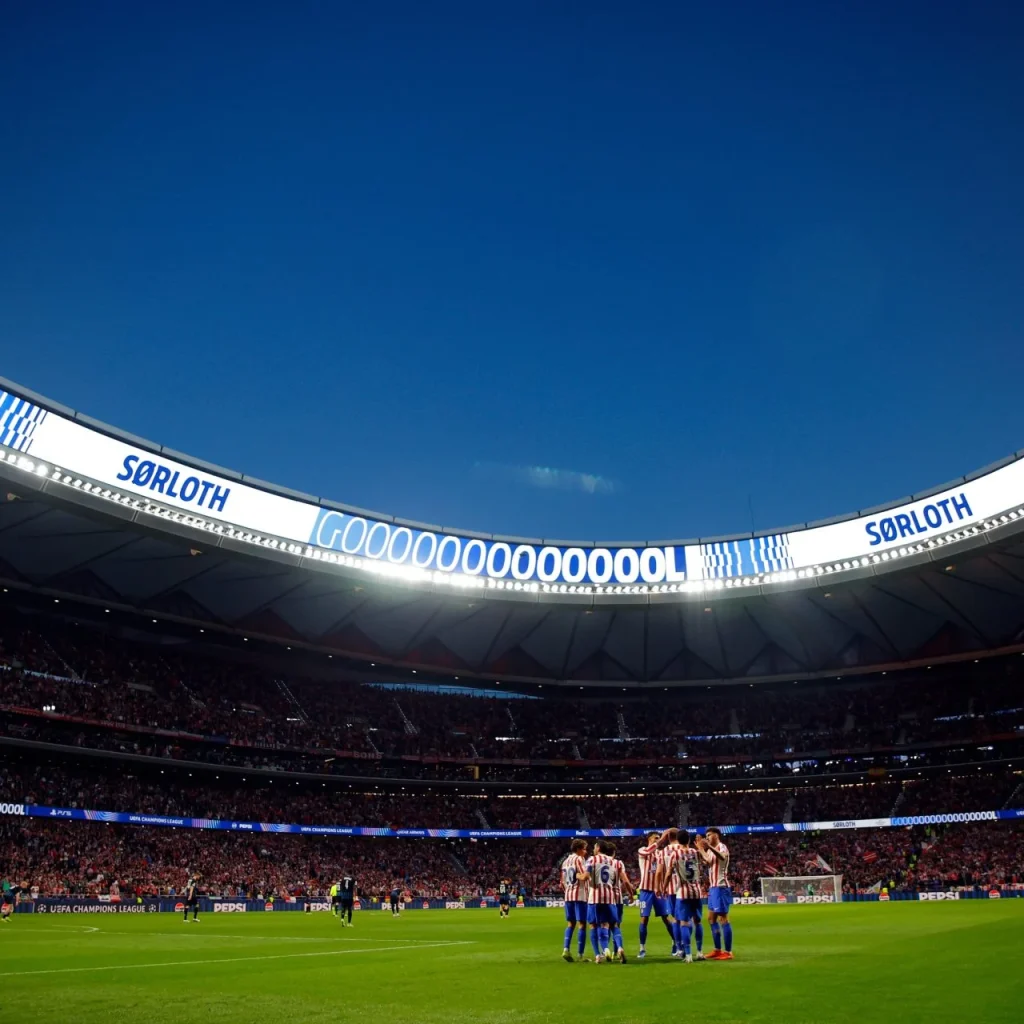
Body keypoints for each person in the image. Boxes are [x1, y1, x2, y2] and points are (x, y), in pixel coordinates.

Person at [662, 829, 705, 963]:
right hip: (697, 891)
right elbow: (704, 864)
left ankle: (688, 955)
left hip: (683, 892)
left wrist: (664, 887)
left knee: (684, 923)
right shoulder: (695, 852)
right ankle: (700, 952)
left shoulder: (674, 854)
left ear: (678, 840)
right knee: (698, 922)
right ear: (689, 840)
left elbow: (669, 873)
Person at [696, 828, 733, 960]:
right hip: (713, 888)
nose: (707, 837)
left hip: (721, 887)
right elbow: (707, 861)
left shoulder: (722, 846)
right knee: (711, 919)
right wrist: (700, 849)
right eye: (706, 835)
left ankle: (728, 952)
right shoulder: (710, 850)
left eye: (709, 835)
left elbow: (722, 856)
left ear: (716, 835)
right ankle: (717, 949)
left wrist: (709, 846)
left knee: (723, 918)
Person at [584, 840, 618, 963]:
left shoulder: (592, 859)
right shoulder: (612, 861)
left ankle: (598, 954)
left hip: (594, 897)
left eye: (594, 847)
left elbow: (586, 876)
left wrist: (578, 875)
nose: (593, 849)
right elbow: (615, 881)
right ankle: (606, 948)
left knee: (593, 925)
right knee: (605, 924)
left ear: (598, 848)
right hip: (608, 897)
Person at [560, 838, 589, 962]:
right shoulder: (579, 859)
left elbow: (562, 882)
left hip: (568, 896)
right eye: (584, 849)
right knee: (582, 924)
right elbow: (584, 876)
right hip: (580, 895)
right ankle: (580, 955)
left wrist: (568, 890)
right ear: (578, 849)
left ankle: (566, 949)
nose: (585, 852)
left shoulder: (565, 862)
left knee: (570, 924)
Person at [606, 842, 632, 963]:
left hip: (603, 898)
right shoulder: (618, 863)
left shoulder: (598, 862)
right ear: (614, 853)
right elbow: (625, 881)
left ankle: (605, 950)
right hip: (617, 897)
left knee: (604, 925)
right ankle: (617, 950)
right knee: (616, 925)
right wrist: (631, 894)